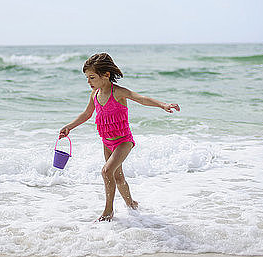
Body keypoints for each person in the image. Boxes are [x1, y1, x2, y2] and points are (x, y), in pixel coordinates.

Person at [59, 53, 180, 222]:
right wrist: (69, 127)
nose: (89, 82)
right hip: (106, 141)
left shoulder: (118, 92)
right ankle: (132, 205)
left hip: (123, 141)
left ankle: (108, 211)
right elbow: (86, 114)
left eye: (92, 77)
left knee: (106, 171)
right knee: (118, 176)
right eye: (87, 78)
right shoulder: (95, 94)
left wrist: (163, 105)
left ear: (106, 75)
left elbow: (141, 99)